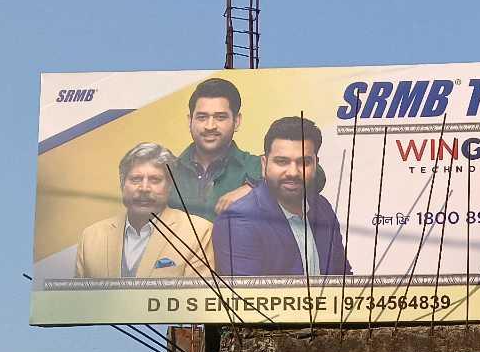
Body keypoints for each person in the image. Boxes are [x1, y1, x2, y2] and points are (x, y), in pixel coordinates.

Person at [214, 116, 351, 278]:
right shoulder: (238, 221)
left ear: (315, 164)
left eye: (304, 162)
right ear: (264, 164)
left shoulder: (322, 207)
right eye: (282, 161)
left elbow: (344, 279)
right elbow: (245, 293)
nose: (293, 172)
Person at [75, 144, 214, 279]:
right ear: (122, 184)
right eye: (136, 179)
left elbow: (196, 294)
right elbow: (77, 295)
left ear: (170, 186)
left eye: (155, 180)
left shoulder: (197, 232)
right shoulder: (91, 237)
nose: (144, 188)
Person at [169, 77, 264, 219]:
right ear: (190, 121)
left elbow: (294, 185)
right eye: (202, 117)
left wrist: (255, 189)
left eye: (220, 117)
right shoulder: (168, 171)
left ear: (237, 121)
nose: (210, 126)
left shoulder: (258, 167)